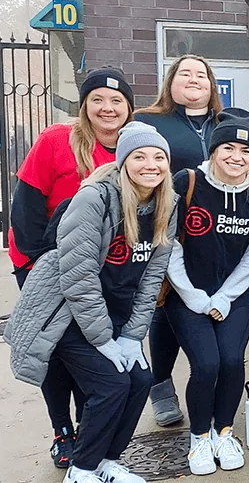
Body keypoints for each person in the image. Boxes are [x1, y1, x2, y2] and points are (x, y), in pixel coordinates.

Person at [6, 121, 177, 483]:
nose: (151, 165)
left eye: (159, 157)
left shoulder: (166, 204)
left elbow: (151, 277)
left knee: (141, 379)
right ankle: (81, 471)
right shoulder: (94, 198)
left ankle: (106, 461)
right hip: (65, 314)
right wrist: (103, 339)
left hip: (112, 314)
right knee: (111, 385)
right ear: (122, 160)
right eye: (140, 156)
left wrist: (132, 335)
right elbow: (78, 279)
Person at [8, 67, 134, 468]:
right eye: (97, 99)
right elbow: (26, 207)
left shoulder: (132, 149)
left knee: (93, 356)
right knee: (56, 353)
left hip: (102, 276)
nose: (107, 108)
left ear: (129, 108)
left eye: (117, 101)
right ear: (84, 106)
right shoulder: (56, 141)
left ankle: (89, 426)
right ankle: (63, 430)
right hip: (47, 269)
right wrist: (31, 267)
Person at [162, 109, 249, 475]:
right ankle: (199, 437)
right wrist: (194, 295)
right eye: (228, 148)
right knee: (206, 363)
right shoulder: (186, 183)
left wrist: (227, 296)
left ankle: (223, 431)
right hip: (187, 292)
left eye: (246, 152)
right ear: (214, 150)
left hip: (235, 293)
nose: (236, 157)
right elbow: (168, 245)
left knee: (231, 361)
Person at [135, 54, 223, 428]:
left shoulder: (226, 123)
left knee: (209, 305)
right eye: (184, 73)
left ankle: (210, 375)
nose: (193, 79)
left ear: (211, 84)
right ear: (170, 82)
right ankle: (161, 383)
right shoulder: (149, 122)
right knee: (163, 304)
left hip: (216, 234)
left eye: (201, 74)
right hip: (163, 227)